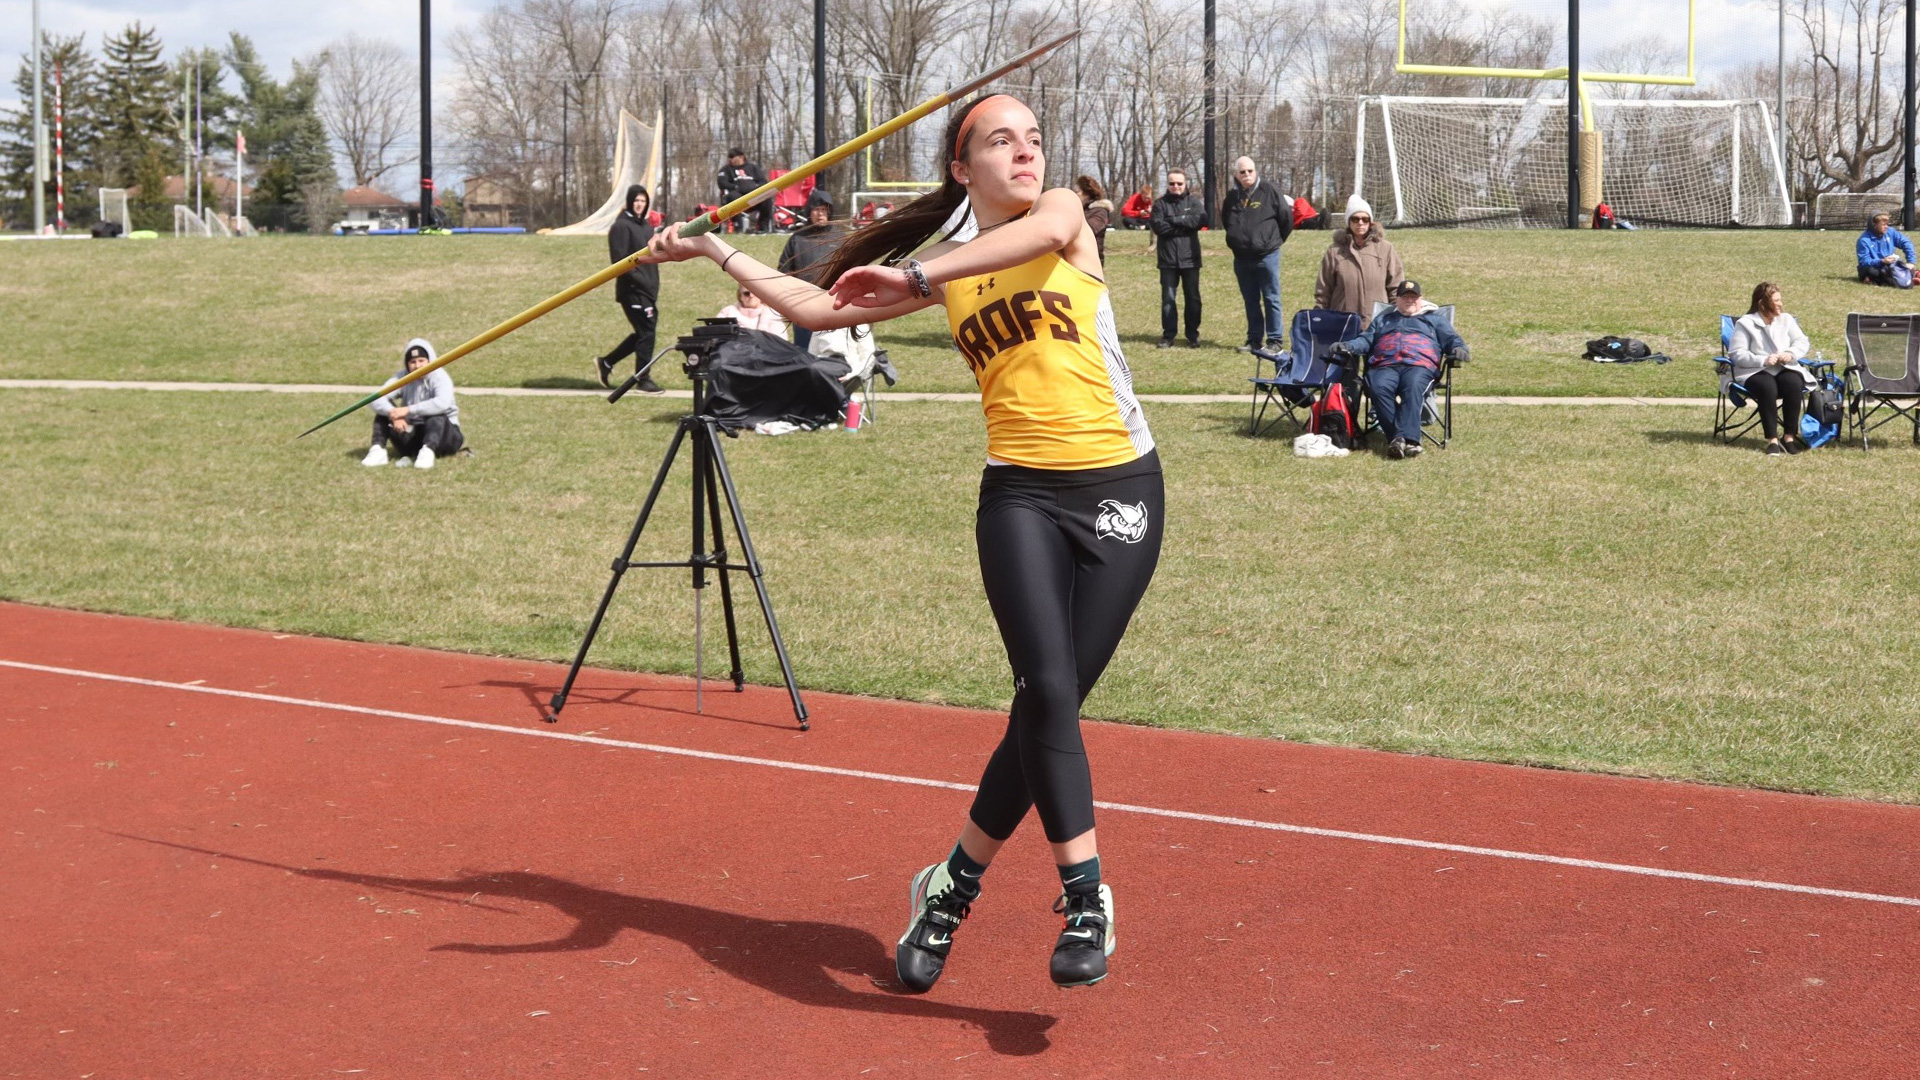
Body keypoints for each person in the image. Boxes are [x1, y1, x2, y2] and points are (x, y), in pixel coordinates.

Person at [643, 93, 1160, 994]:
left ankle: (950, 886)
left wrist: (918, 278)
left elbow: (1015, 245)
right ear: (963, 168)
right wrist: (714, 250)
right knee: (1049, 691)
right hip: (1021, 495)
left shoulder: (1061, 219)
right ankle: (1086, 900)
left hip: (1121, 489)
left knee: (1047, 707)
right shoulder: (957, 265)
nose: (1027, 153)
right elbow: (819, 306)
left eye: (1034, 138)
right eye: (1003, 141)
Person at [1337, 280, 1466, 460]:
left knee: (1413, 387)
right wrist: (1348, 346)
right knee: (1377, 387)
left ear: (1421, 299)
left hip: (1419, 366)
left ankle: (1407, 440)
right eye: (1405, 297)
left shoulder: (1435, 320)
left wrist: (1458, 350)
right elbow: (1366, 340)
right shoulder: (1384, 319)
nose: (1410, 301)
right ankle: (1402, 440)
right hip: (1385, 365)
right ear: (1396, 300)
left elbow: (1453, 340)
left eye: (1414, 297)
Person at [1729, 281, 1816, 456]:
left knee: (1793, 382)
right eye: (1776, 301)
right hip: (1753, 370)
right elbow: (1737, 354)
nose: (1781, 304)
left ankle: (1789, 437)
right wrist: (1764, 359)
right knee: (1767, 386)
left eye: (1780, 300)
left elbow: (1802, 342)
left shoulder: (1786, 319)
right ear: (1763, 304)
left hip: (1784, 367)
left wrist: (1790, 354)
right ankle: (1773, 441)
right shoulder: (1745, 323)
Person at [594, 184, 664, 394]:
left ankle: (606, 362)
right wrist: (641, 282)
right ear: (629, 201)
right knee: (647, 332)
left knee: (644, 333)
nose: (639, 204)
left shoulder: (645, 226)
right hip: (632, 290)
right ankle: (643, 379)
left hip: (648, 290)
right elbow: (620, 262)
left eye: (643, 201)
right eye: (636, 201)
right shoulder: (621, 227)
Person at [1220, 156, 1293, 352]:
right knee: (1250, 299)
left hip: (1267, 256)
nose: (1247, 175)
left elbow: (1286, 218)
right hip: (1242, 258)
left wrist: (1272, 241)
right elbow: (1227, 221)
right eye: (1242, 172)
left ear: (1256, 171)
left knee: (1271, 298)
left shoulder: (1269, 191)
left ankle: (1275, 341)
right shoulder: (1232, 197)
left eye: (1250, 171)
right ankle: (1253, 340)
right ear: (1236, 174)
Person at [363, 339, 464, 469]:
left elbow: (442, 403)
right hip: (414, 434)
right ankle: (378, 450)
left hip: (446, 437)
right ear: (407, 364)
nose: (417, 366)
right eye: (413, 362)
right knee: (383, 413)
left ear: (429, 360)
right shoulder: (402, 377)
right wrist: (393, 414)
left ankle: (428, 452)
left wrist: (408, 410)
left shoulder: (440, 376)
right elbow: (375, 398)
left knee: (436, 415)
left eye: (421, 361)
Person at [1314, 195, 1403, 330]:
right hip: (1342, 323)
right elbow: (1324, 290)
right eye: (1355, 219)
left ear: (1370, 222)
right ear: (1349, 222)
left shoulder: (1386, 248)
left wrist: (1398, 317)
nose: (1360, 223)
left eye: (1365, 219)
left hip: (1377, 322)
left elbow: (1395, 286)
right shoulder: (1334, 251)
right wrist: (1319, 318)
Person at [777, 199, 847, 350]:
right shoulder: (797, 238)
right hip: (804, 304)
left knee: (834, 349)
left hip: (834, 303)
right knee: (803, 351)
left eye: (823, 209)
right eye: (816, 209)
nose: (820, 214)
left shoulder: (841, 237)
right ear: (809, 213)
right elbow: (784, 271)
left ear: (829, 212)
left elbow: (852, 268)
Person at [1150, 168, 1204, 348]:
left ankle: (1192, 335)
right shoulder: (1159, 204)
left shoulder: (1194, 202)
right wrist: (1183, 223)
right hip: (1168, 261)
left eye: (1179, 183)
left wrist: (1172, 220)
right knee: (1168, 299)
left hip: (1191, 259)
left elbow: (1197, 221)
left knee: (1193, 299)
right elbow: (1159, 227)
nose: (1176, 186)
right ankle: (1168, 335)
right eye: (1172, 183)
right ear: (1168, 184)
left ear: (1185, 184)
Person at [716, 148, 772, 234]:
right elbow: (722, 183)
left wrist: (755, 188)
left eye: (732, 156)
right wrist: (736, 187)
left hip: (753, 197)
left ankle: (763, 227)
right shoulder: (725, 170)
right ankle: (738, 227)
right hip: (737, 196)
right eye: (729, 157)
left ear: (741, 157)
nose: (730, 159)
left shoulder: (753, 168)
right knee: (733, 197)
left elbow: (763, 181)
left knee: (766, 197)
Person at [1857, 212, 1916, 288]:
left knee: (1903, 267)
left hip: (1889, 265)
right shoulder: (1864, 240)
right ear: (1874, 225)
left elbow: (1906, 243)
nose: (1886, 227)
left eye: (1887, 224)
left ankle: (1904, 277)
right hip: (1873, 267)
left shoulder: (1890, 232)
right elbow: (1864, 261)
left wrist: (1911, 262)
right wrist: (1881, 261)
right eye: (1883, 225)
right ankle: (1907, 278)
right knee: (1871, 272)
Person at [715, 283, 790, 336]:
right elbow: (716, 333)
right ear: (740, 296)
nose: (751, 296)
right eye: (746, 293)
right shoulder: (728, 312)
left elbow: (780, 340)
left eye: (755, 293)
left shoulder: (771, 314)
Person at [1075, 175, 1114, 263]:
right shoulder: (1081, 209)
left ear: (1087, 193)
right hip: (1077, 258)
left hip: (1091, 262)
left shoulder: (1100, 211)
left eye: (1077, 191)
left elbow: (1091, 229)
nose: (1075, 194)